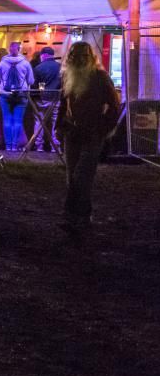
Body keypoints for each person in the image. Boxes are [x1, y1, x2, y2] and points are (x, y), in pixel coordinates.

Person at [56, 42, 120, 239]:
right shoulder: (67, 76)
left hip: (92, 135)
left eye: (83, 55)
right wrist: (60, 126)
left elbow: (114, 105)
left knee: (81, 176)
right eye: (75, 55)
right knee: (72, 177)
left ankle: (75, 216)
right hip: (72, 133)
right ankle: (80, 216)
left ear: (91, 57)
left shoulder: (100, 77)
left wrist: (103, 129)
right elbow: (63, 103)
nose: (78, 59)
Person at [0, 41, 35, 151]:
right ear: (19, 49)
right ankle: (14, 146)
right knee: (18, 121)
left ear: (9, 50)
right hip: (21, 94)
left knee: (6, 120)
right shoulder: (25, 63)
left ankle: (8, 146)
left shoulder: (2, 63)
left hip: (5, 94)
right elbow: (31, 80)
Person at [33, 47, 62, 151]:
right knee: (55, 122)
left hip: (43, 99)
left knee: (39, 121)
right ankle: (54, 146)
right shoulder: (60, 67)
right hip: (56, 98)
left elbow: (38, 85)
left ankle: (39, 145)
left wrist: (42, 91)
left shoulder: (38, 68)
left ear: (44, 55)